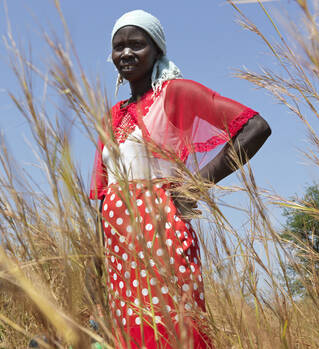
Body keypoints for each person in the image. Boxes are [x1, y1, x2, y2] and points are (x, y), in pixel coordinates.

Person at [89, 10, 271, 348]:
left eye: (137, 45)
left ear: (157, 50)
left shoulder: (174, 94)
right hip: (117, 251)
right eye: (119, 47)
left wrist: (195, 186)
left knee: (174, 332)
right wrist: (96, 272)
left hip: (162, 236)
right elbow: (104, 197)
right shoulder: (111, 117)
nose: (126, 54)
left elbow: (254, 128)